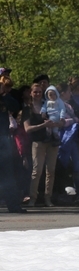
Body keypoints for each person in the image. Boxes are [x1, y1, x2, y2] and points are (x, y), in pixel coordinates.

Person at [24, 82, 61, 206]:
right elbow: (27, 129)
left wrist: (57, 123)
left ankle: (47, 197)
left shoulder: (50, 104)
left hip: (52, 141)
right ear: (31, 93)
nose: (38, 94)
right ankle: (33, 197)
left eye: (40, 92)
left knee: (51, 170)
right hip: (38, 142)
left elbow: (61, 115)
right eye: (35, 92)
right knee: (37, 170)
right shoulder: (27, 109)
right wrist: (43, 125)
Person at [0, 75, 25, 213]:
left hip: (3, 139)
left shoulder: (5, 99)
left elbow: (16, 106)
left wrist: (4, 95)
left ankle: (13, 205)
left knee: (8, 174)